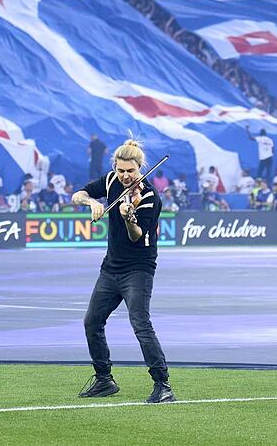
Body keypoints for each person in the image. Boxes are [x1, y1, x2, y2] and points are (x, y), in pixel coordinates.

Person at [71, 138, 174, 404]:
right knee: (92, 322)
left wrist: (129, 217)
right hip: (111, 267)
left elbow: (136, 237)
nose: (126, 176)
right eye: (121, 171)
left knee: (140, 323)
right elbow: (77, 194)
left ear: (140, 167)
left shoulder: (149, 196)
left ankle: (162, 385)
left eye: (131, 171)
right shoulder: (109, 181)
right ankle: (104, 379)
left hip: (138, 268)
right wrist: (91, 203)